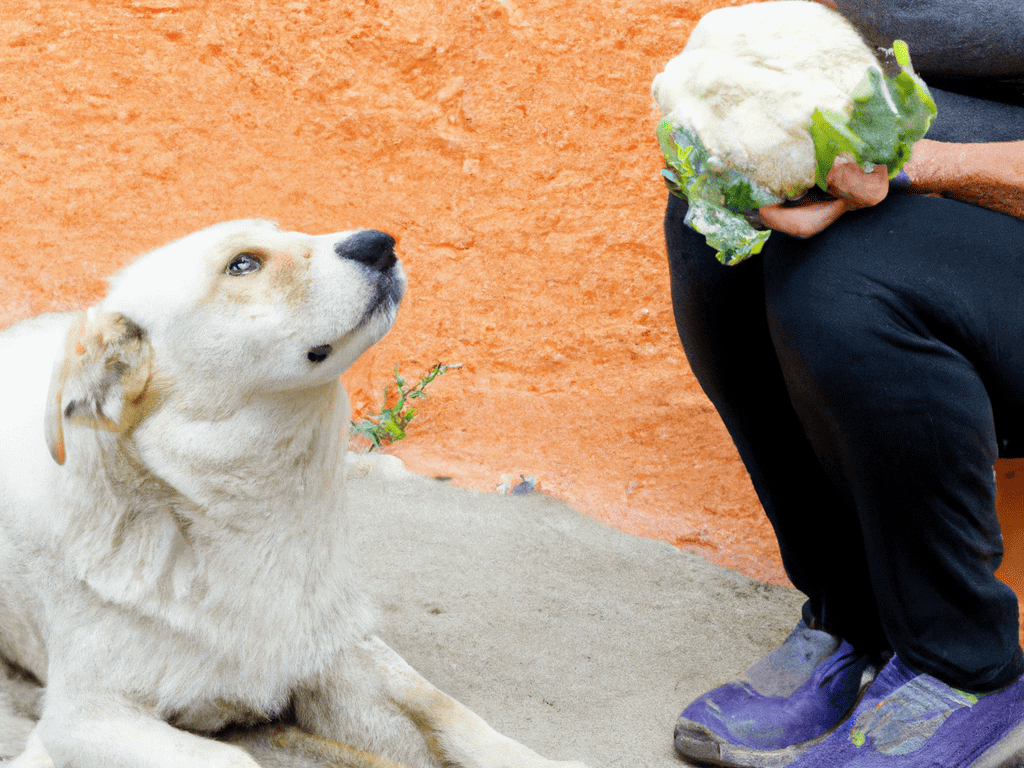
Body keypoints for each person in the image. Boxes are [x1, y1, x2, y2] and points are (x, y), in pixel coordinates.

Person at [664, 1, 1024, 766]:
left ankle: (963, 663)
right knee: (714, 230)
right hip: (945, 195)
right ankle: (854, 615)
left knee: (845, 280)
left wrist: (912, 165)